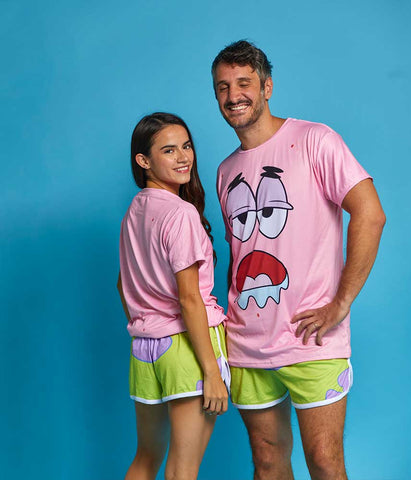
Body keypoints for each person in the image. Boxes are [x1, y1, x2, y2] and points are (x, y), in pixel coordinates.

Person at [212, 41, 386, 480]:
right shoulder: (225, 170)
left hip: (311, 338)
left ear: (267, 87)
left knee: (325, 462)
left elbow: (370, 213)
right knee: (267, 463)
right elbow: (240, 254)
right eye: (223, 87)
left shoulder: (314, 140)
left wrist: (340, 304)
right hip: (247, 342)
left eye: (244, 83)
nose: (233, 95)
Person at [117, 112, 230, 480]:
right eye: (169, 150)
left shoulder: (135, 211)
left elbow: (122, 284)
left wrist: (148, 322)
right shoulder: (180, 214)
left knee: (146, 458)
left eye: (186, 146)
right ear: (144, 161)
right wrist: (211, 372)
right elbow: (189, 299)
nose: (183, 157)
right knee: (184, 468)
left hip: (145, 349)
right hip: (187, 347)